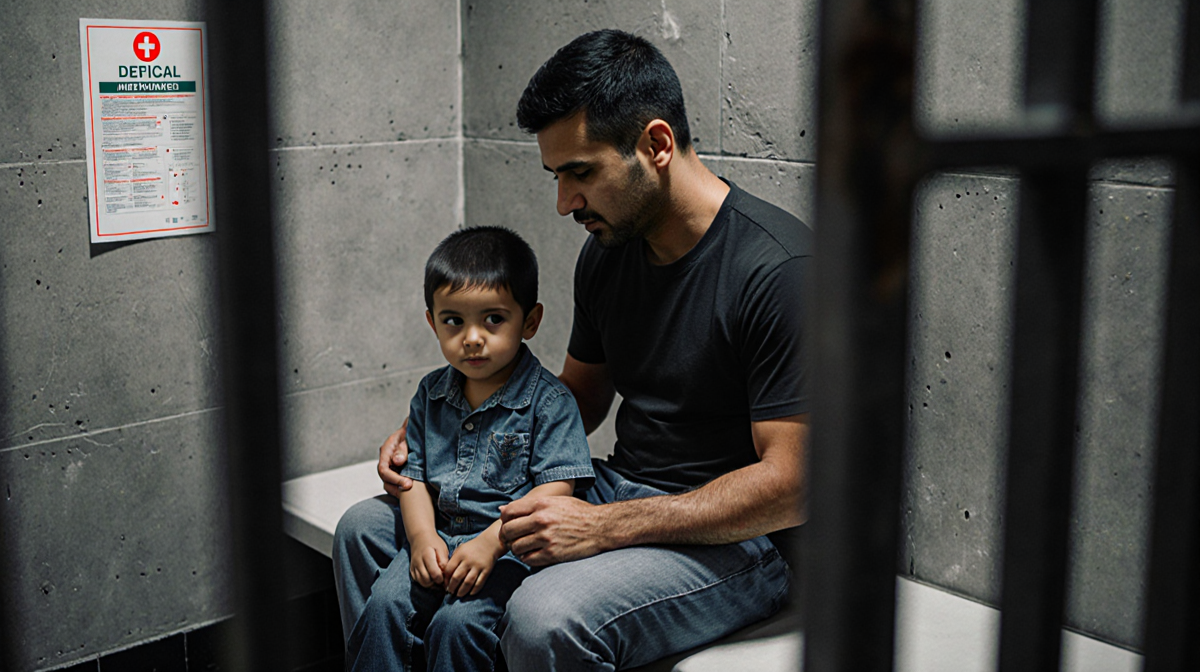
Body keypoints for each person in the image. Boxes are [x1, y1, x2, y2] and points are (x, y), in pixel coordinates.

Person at [339, 28, 813, 671]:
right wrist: (447, 425)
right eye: (556, 175)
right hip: (617, 488)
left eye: (580, 173)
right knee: (365, 530)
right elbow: (578, 398)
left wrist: (606, 527)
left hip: (740, 544)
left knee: (545, 617)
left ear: (656, 144)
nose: (564, 203)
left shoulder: (778, 270)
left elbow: (795, 485)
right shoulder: (609, 253)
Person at [333, 226, 595, 672]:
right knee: (385, 608)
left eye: (493, 319)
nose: (472, 337)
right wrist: (421, 538)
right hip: (439, 534)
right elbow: (411, 476)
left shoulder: (550, 403)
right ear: (433, 321)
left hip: (509, 552)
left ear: (529, 321)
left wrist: (492, 542)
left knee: (458, 628)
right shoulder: (431, 393)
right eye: (454, 321)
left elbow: (557, 488)